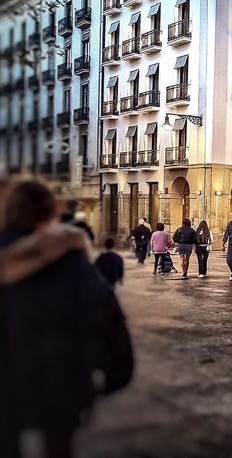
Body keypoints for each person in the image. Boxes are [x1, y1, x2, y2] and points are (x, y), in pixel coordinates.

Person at [0, 181, 133, 458]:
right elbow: (103, 313)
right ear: (50, 213)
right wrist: (116, 371)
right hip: (60, 376)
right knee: (59, 446)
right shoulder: (69, 258)